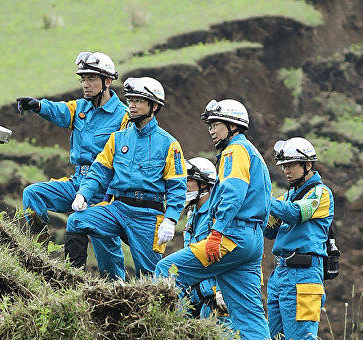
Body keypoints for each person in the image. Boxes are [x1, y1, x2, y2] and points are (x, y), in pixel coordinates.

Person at [154, 99, 270, 340]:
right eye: (210, 125)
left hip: (231, 236)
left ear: (232, 125)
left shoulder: (234, 151)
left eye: (216, 124)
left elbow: (232, 191)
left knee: (167, 270)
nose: (211, 130)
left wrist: (216, 232)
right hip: (252, 240)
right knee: (248, 310)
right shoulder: (254, 154)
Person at [16, 51, 128, 278]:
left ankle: (119, 293)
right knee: (32, 194)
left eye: (91, 79)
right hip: (78, 181)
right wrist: (36, 105)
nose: (85, 85)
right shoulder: (80, 108)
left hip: (105, 191)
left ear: (107, 81)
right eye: (82, 79)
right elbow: (58, 111)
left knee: (108, 257)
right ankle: (37, 256)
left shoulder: (124, 116)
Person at [65, 76, 186, 277]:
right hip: (118, 208)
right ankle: (70, 280)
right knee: (76, 222)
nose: (132, 105)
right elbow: (99, 171)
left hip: (148, 215)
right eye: (130, 100)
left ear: (154, 106)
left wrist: (171, 219)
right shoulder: (117, 138)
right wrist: (83, 194)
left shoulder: (169, 144)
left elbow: (177, 187)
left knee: (149, 277)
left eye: (138, 101)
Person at [264, 137, 333, 340]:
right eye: (284, 166)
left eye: (291, 165)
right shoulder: (286, 197)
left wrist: (265, 198)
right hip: (280, 274)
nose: (286, 171)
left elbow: (294, 214)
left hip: (304, 274)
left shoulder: (321, 193)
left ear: (308, 165)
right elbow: (269, 231)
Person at [181, 157, 228, 320]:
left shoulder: (217, 216)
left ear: (204, 184)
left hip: (216, 302)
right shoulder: (192, 217)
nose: (183, 186)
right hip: (193, 300)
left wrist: (222, 291)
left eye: (188, 180)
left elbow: (227, 256)